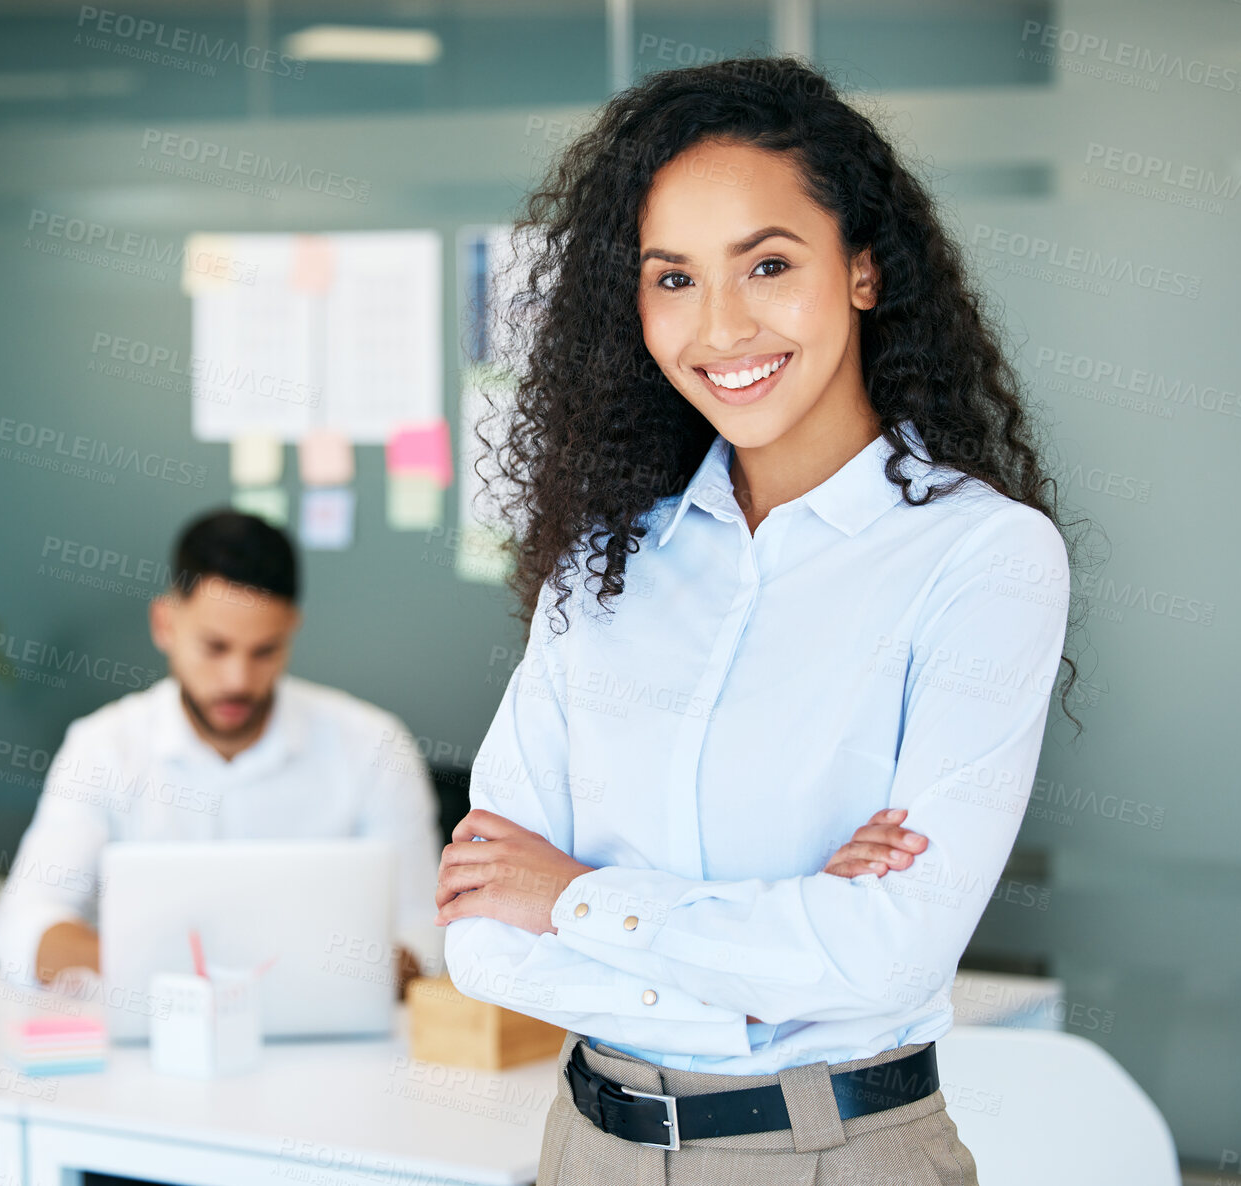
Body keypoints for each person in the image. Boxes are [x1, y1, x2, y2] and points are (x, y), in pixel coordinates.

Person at [436, 55, 1078, 1185]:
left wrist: (575, 895)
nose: (722, 327)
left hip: (834, 1152)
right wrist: (782, 936)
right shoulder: (604, 560)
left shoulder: (981, 558)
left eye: (767, 265)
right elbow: (483, 932)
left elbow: (886, 956)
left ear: (863, 269)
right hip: (585, 1148)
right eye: (671, 279)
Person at [0, 509, 444, 997]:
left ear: (292, 627)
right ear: (165, 624)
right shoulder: (103, 747)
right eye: (215, 646)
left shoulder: (373, 747)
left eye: (264, 650)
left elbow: (426, 935)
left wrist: (291, 983)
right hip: (149, 1050)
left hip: (330, 1057)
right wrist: (177, 982)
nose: (237, 680)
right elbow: (23, 928)